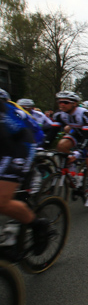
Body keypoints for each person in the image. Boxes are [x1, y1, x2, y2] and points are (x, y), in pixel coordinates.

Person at [0, 89, 50, 257]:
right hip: (5, 145)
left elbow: (37, 132)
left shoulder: (9, 112)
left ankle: (37, 226)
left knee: (1, 200)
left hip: (19, 147)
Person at [44, 91, 88, 207]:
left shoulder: (84, 114)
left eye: (65, 102)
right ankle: (73, 171)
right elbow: (52, 133)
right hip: (78, 133)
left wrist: (77, 153)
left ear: (74, 104)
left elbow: (87, 136)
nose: (62, 105)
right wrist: (42, 146)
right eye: (60, 102)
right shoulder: (59, 114)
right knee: (61, 145)